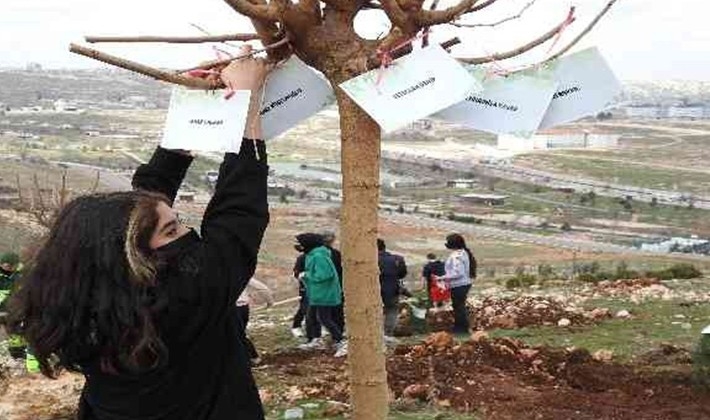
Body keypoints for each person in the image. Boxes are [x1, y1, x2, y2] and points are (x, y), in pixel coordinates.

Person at [8, 48, 271, 420]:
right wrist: (248, 102)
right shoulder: (186, 301)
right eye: (172, 229)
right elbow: (239, 212)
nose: (188, 232)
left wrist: (192, 114)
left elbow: (143, 206)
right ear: (141, 258)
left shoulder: (90, 301)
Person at [297, 233, 347, 357]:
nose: (298, 246)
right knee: (312, 316)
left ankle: (341, 341)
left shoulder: (319, 256)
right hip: (316, 292)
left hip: (324, 293)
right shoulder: (312, 255)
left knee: (324, 318)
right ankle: (316, 340)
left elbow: (325, 274)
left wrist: (306, 275)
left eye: (300, 243)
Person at [435, 233, 477, 334]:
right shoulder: (463, 252)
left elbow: (458, 273)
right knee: (460, 306)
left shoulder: (456, 256)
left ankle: (461, 329)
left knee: (458, 307)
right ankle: (462, 327)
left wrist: (441, 278)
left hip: (459, 284)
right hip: (464, 283)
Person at [235, 278, 273, 366]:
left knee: (238, 335)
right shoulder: (241, 273)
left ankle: (253, 357)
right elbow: (263, 288)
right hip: (243, 308)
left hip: (233, 309)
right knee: (239, 334)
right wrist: (270, 301)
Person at [292, 236, 322, 346]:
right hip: (307, 289)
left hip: (315, 290)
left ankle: (314, 337)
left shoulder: (317, 258)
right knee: (308, 312)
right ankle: (312, 336)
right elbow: (296, 273)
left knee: (312, 314)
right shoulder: (303, 258)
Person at [378, 239, 404, 341]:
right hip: (392, 289)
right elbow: (402, 274)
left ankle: (376, 333)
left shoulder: (370, 261)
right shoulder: (397, 259)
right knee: (392, 311)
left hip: (374, 290)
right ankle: (388, 334)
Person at [320, 230, 345, 332]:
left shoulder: (317, 254)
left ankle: (330, 331)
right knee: (337, 310)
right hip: (336, 286)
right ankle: (338, 331)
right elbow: (341, 270)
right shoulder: (337, 254)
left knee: (323, 312)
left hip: (322, 287)